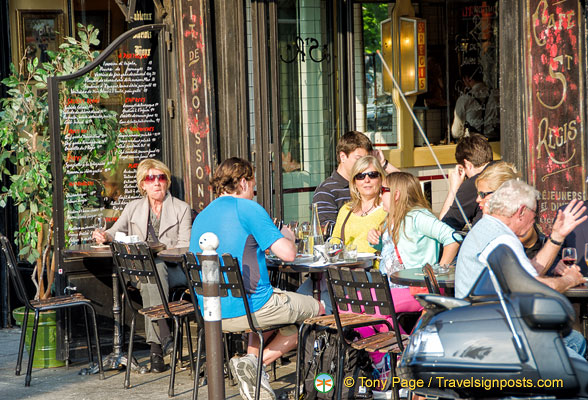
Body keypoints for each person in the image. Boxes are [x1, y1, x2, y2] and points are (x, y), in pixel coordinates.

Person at [190, 157, 322, 400]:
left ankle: (254, 371)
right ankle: (255, 363)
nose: (253, 191)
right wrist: (287, 235)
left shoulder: (202, 215)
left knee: (277, 304)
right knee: (319, 310)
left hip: (211, 315)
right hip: (252, 309)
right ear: (242, 182)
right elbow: (289, 254)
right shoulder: (249, 209)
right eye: (253, 185)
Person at [455, 180, 587, 360]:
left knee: (574, 339)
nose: (535, 220)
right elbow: (536, 287)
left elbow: (527, 274)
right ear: (521, 212)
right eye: (534, 215)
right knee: (575, 347)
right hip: (498, 338)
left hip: (481, 329)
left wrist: (557, 237)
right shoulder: (502, 240)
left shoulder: (487, 228)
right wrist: (570, 280)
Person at [92, 158, 192, 373]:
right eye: (151, 178)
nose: (157, 183)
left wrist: (158, 251)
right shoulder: (133, 207)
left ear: (167, 182)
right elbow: (115, 232)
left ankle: (156, 349)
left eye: (161, 178)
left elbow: (184, 247)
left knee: (154, 270)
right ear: (143, 184)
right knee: (151, 273)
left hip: (173, 270)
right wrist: (103, 235)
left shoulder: (181, 208)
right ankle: (164, 337)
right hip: (138, 271)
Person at [369, 172, 460, 313]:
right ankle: (404, 334)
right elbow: (391, 251)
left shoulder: (418, 216)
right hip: (389, 287)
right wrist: (375, 240)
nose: (379, 195)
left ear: (396, 194)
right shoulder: (390, 218)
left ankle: (404, 335)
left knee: (371, 305)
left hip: (415, 288)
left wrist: (438, 272)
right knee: (348, 302)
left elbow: (453, 238)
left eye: (383, 190)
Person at [474, 162, 582, 275]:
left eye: (482, 194)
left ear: (502, 193)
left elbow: (528, 275)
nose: (477, 199)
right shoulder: (490, 225)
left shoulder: (513, 229)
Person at [312, 130, 399, 226]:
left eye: (366, 159)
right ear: (343, 157)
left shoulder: (372, 182)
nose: (363, 163)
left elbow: (407, 187)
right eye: (359, 158)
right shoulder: (326, 191)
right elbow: (328, 233)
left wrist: (383, 164)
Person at [440, 134, 493, 231]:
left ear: (468, 165)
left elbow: (444, 229)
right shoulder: (502, 171)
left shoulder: (473, 184)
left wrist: (454, 187)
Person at [451, 63, 499, 141]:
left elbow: (456, 132)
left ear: (467, 78)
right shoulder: (496, 95)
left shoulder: (464, 100)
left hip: (474, 145)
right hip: (496, 143)